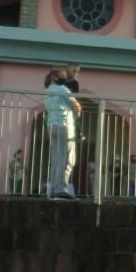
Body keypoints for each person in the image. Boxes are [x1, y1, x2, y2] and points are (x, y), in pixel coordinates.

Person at [44, 68, 81, 198]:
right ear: (55, 77)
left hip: (51, 125)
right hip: (62, 125)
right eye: (63, 75)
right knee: (62, 158)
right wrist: (78, 113)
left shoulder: (47, 91)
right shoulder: (62, 89)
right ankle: (59, 189)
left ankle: (53, 188)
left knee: (55, 158)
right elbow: (76, 105)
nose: (65, 78)